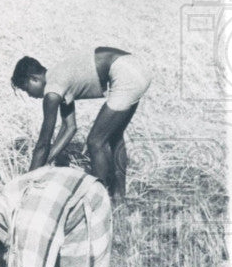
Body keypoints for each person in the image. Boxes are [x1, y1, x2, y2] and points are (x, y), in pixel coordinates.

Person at [11, 48, 151, 203]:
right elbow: (69, 127)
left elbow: (43, 143)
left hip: (126, 74)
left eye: (26, 89)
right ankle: (118, 197)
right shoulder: (57, 77)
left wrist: (27, 182)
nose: (30, 95)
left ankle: (98, 202)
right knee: (114, 136)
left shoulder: (52, 93)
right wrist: (47, 161)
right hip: (137, 67)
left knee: (95, 142)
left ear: (34, 79)